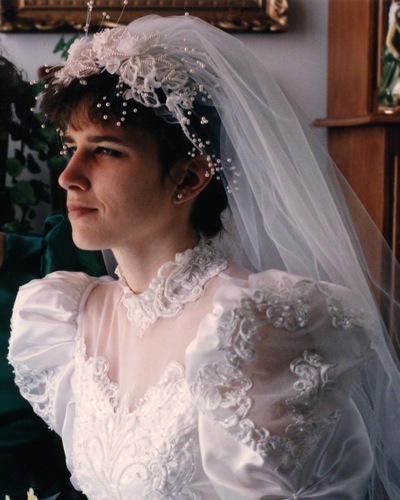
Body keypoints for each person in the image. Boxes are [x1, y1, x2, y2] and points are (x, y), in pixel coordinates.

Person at [8, 13, 400, 499]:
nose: (69, 176)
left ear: (189, 177)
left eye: (105, 150)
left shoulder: (256, 328)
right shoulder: (68, 318)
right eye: (72, 147)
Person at [378, 1, 400, 112]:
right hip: (393, 55)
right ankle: (391, 98)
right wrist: (397, 55)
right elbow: (388, 43)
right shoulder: (394, 26)